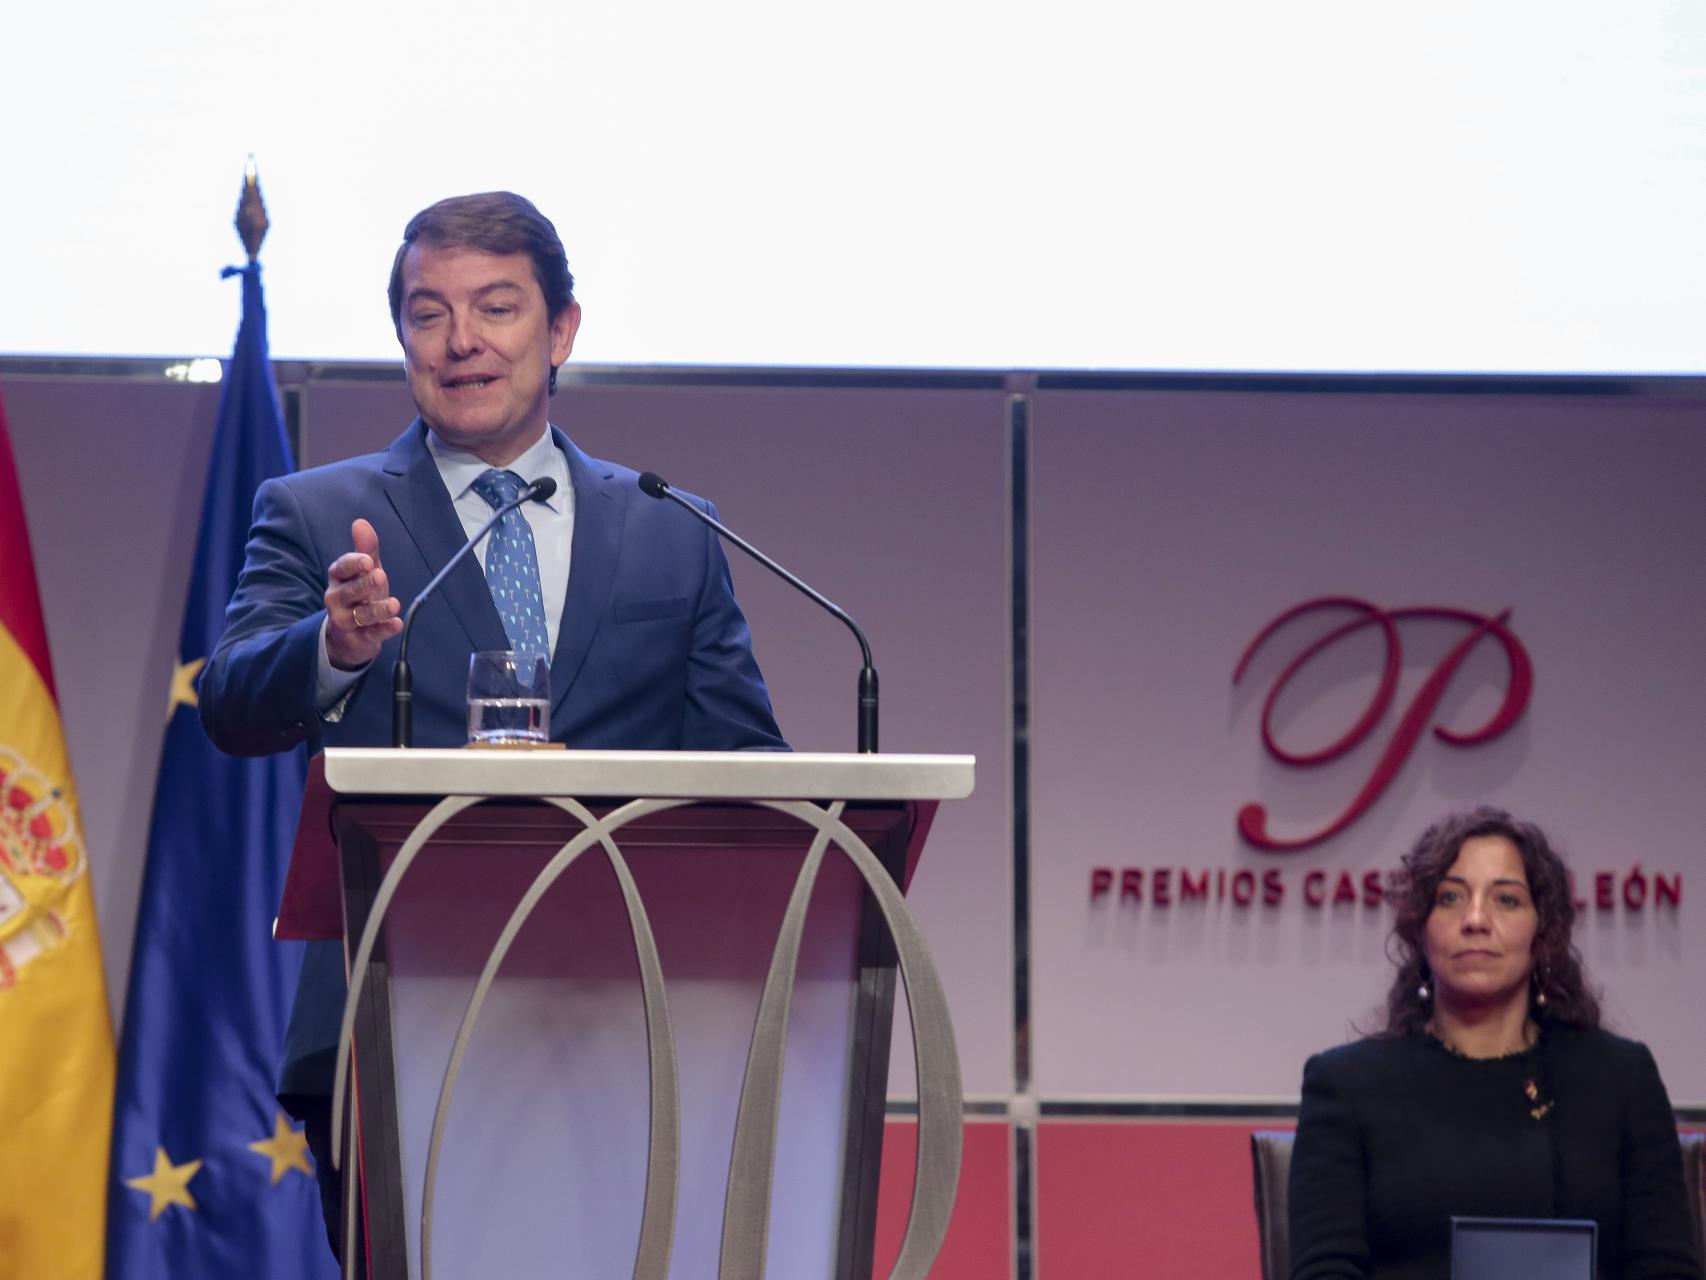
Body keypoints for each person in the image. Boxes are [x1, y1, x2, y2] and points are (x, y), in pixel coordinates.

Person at [198, 191, 786, 1261]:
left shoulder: (670, 529)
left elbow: (751, 773)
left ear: (560, 331)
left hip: (634, 1021)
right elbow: (231, 703)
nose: (460, 340)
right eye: (428, 314)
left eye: (496, 307)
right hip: (392, 1016)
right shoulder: (317, 513)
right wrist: (333, 645)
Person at [1287, 808, 1702, 1279]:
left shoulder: (1620, 1080)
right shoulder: (1346, 1086)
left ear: (1543, 931)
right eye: (1450, 897)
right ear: (1420, 928)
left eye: (1506, 899)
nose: (1476, 919)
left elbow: (1667, 1268)